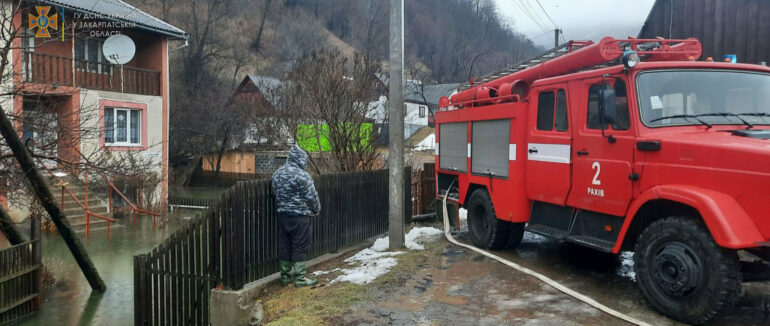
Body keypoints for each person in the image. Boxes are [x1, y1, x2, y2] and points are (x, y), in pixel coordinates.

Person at [271, 145, 320, 287]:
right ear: (300, 159)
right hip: (301, 217)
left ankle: (285, 278)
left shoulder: (277, 174)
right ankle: (300, 279)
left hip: (283, 215)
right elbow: (311, 197)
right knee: (300, 246)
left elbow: (274, 192)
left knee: (286, 245)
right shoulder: (302, 175)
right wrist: (316, 209)